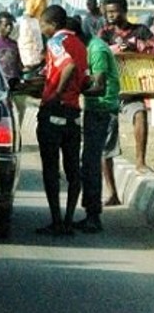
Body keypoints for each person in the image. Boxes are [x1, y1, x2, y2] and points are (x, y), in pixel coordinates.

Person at [35, 4, 88, 236]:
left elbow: (68, 67)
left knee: (50, 168)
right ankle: (68, 219)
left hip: (54, 111)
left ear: (53, 25)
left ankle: (56, 220)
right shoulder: (80, 44)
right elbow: (82, 76)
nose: (42, 29)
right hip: (73, 113)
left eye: (43, 25)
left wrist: (55, 94)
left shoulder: (55, 42)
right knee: (72, 169)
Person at [69, 18, 121, 231]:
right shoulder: (88, 48)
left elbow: (98, 86)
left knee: (90, 163)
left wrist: (72, 91)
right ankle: (90, 212)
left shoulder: (96, 50)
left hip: (102, 110)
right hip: (94, 110)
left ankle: (93, 215)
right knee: (88, 162)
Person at [97, 0, 154, 174]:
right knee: (107, 140)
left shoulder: (141, 30)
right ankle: (112, 191)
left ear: (125, 11)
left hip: (132, 90)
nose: (111, 15)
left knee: (140, 114)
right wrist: (117, 49)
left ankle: (140, 162)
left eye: (115, 11)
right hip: (110, 91)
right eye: (108, 12)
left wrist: (137, 45)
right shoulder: (105, 33)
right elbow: (98, 53)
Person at [0, 11, 27, 123]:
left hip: (13, 85)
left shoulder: (14, 45)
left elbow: (19, 65)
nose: (9, 28)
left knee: (16, 113)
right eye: (6, 25)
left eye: (11, 25)